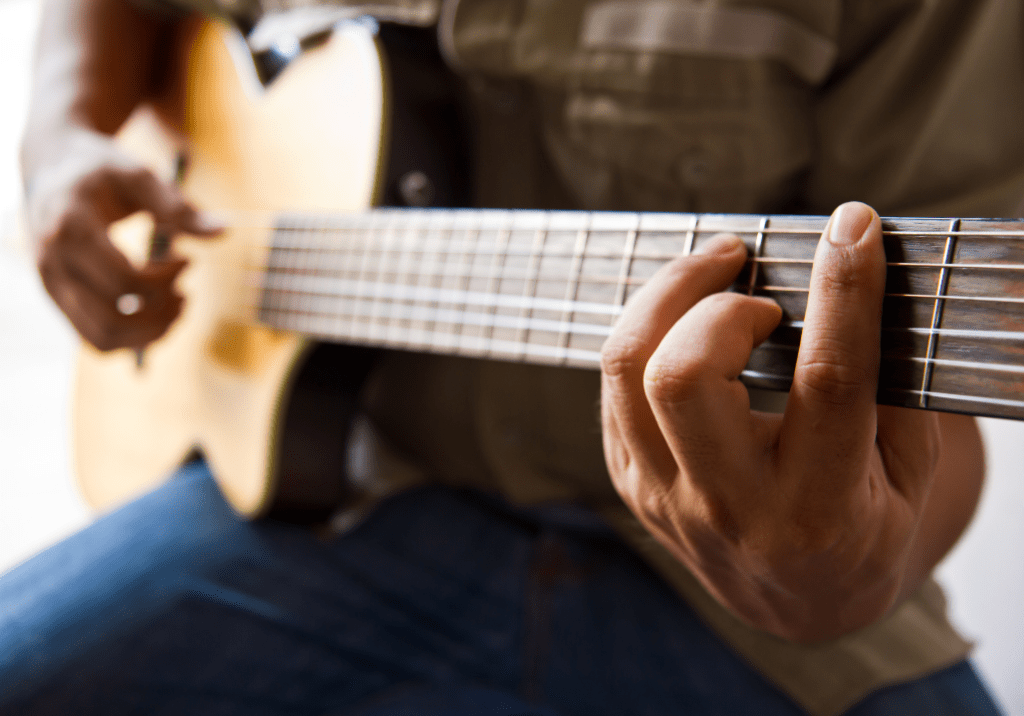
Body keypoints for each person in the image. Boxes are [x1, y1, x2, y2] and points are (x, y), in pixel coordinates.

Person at [1, 0, 1012, 713]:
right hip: (333, 493)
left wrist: (836, 579)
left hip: (720, 602)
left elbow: (929, 410)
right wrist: (60, 134)